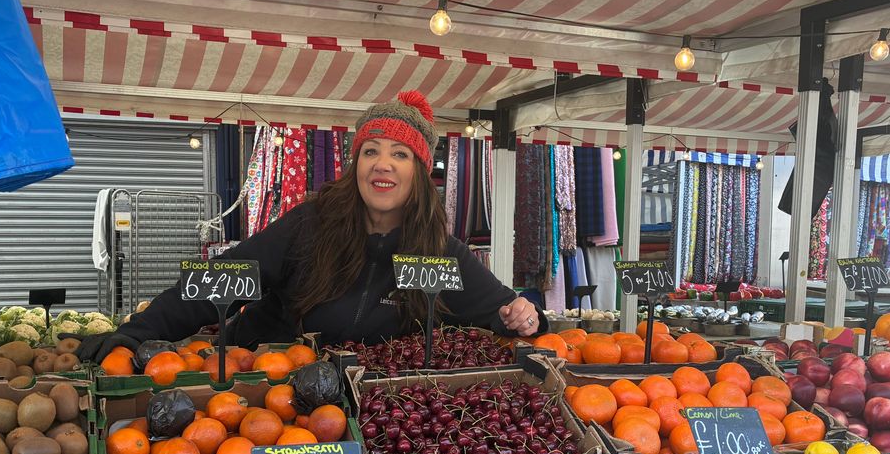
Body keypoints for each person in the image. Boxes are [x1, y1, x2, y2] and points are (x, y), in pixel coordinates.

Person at [79, 90, 544, 362]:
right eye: (371, 151)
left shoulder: (439, 249)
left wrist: (524, 316)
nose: (382, 164)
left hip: (366, 411)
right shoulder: (310, 225)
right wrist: (135, 333)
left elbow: (504, 309)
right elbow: (218, 281)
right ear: (355, 164)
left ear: (420, 173)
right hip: (267, 392)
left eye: (400, 154)